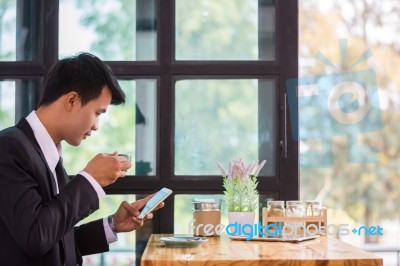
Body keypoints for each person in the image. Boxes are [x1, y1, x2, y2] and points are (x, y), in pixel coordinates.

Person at [0, 53, 163, 266]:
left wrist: (113, 224)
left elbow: (56, 240)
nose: (96, 125)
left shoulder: (50, 155)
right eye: (97, 112)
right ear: (72, 100)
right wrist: (90, 179)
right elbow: (36, 236)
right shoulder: (9, 147)